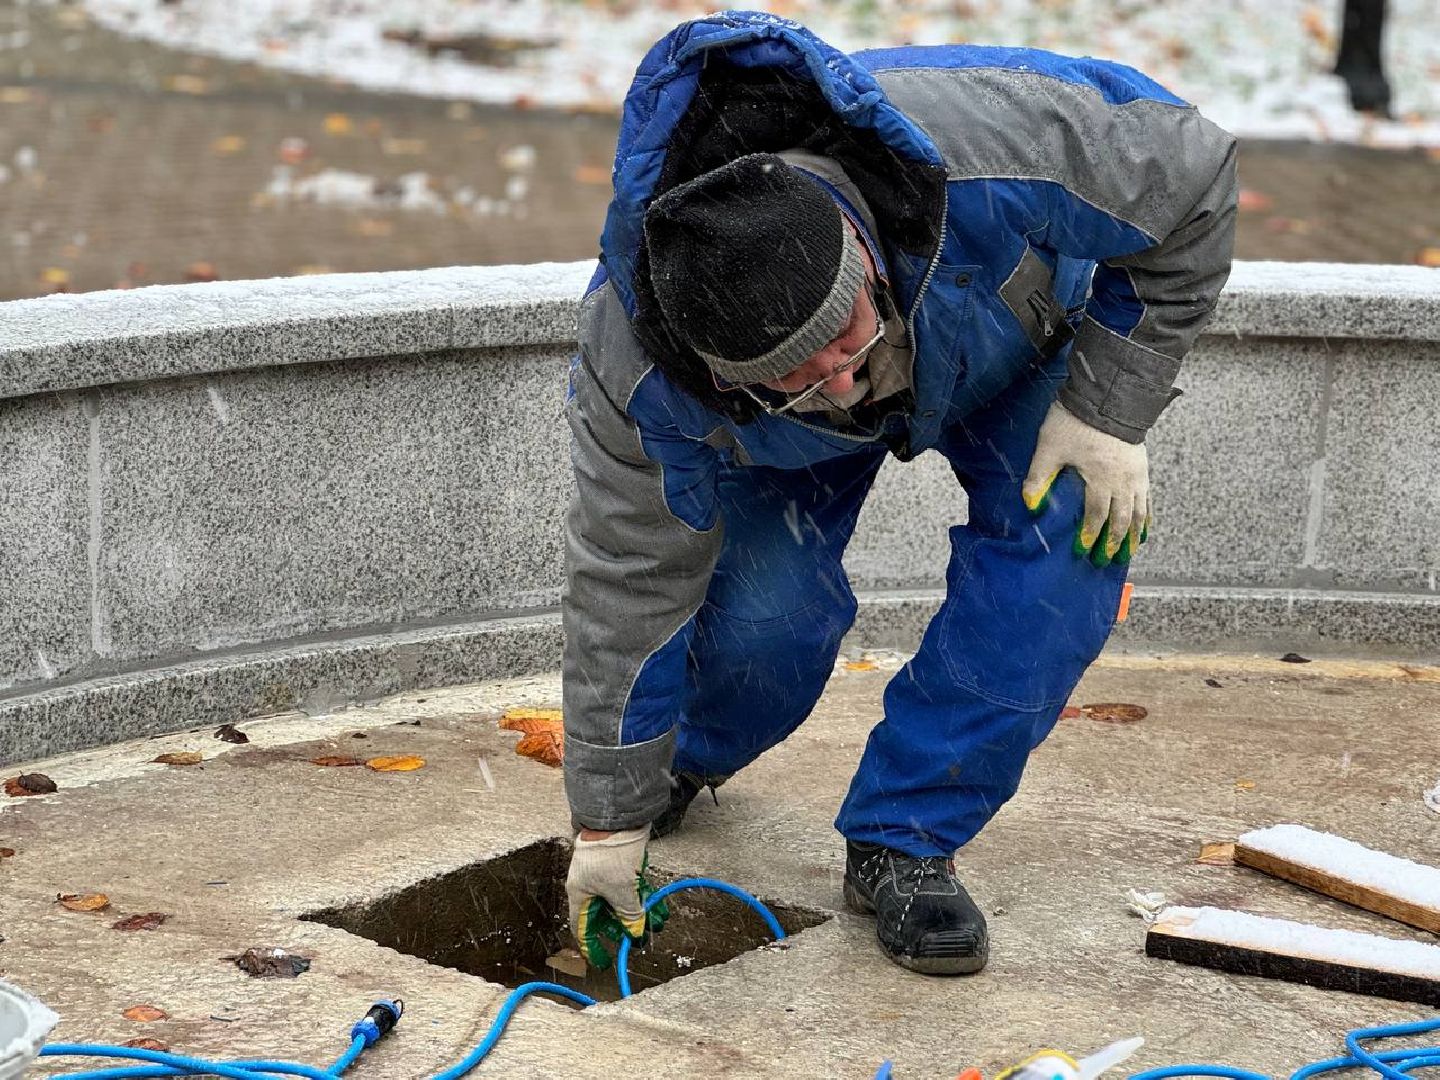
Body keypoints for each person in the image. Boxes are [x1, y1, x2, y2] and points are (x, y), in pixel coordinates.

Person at [561, 11, 1237, 976]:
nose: (845, 382)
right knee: (766, 621)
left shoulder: (997, 141)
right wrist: (608, 817)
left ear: (865, 258)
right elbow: (626, 586)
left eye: (848, 341)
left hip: (1009, 328)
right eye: (801, 374)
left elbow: (1196, 176)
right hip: (785, 441)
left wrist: (1112, 406)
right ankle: (683, 762)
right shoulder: (639, 373)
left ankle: (903, 841)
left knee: (1064, 556)